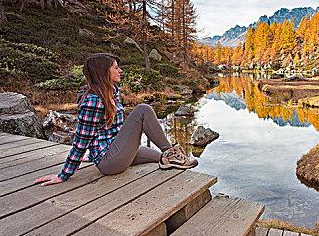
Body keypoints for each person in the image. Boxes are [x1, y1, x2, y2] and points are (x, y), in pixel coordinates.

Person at [35, 53, 197, 186]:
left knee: (160, 159)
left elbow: (105, 130)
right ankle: (171, 153)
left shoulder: (112, 92)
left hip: (117, 150)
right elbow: (81, 140)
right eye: (116, 68)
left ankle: (170, 159)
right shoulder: (93, 101)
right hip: (109, 162)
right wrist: (63, 175)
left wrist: (91, 154)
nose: (120, 71)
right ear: (104, 72)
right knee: (143, 110)